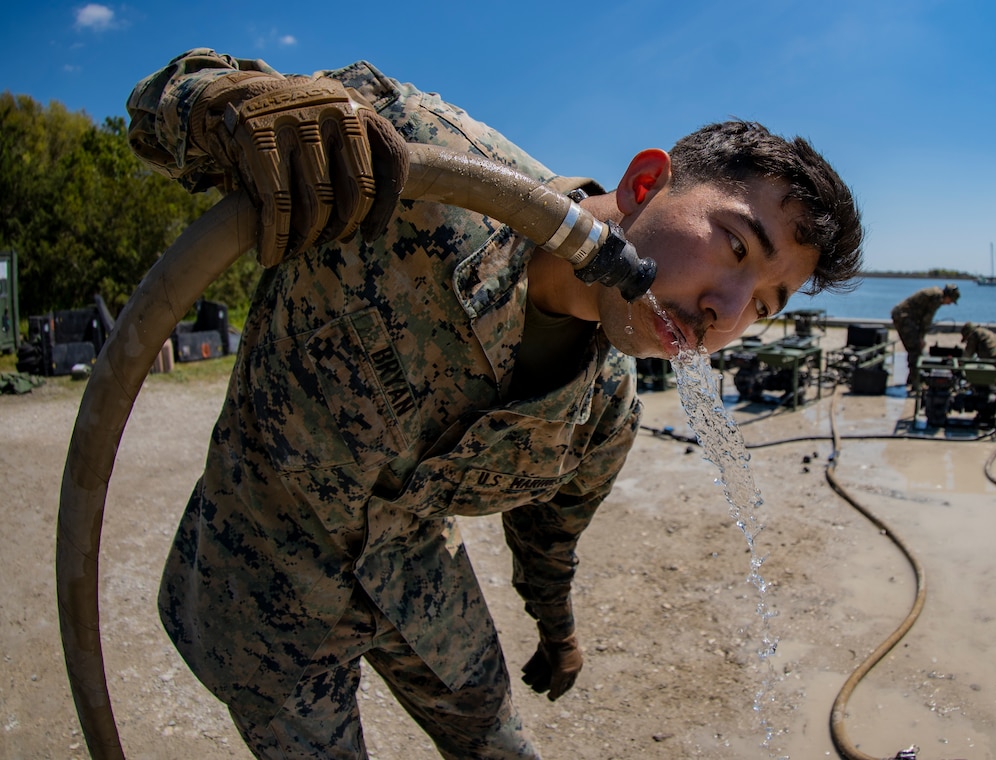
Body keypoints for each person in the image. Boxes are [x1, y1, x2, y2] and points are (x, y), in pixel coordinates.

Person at [126, 48, 864, 759]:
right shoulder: (425, 164)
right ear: (644, 185)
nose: (724, 313)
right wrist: (235, 106)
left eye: (763, 305)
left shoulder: (603, 413)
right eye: (735, 247)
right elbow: (165, 99)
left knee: (504, 746)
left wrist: (558, 630)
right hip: (259, 571)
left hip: (412, 572)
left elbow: (549, 536)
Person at [890, 283, 960, 389]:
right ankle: (915, 383)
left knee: (914, 348)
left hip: (904, 317)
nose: (949, 304)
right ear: (948, 296)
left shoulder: (936, 293)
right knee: (915, 349)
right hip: (904, 318)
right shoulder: (937, 297)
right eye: (951, 301)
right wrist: (921, 338)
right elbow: (926, 320)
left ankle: (912, 379)